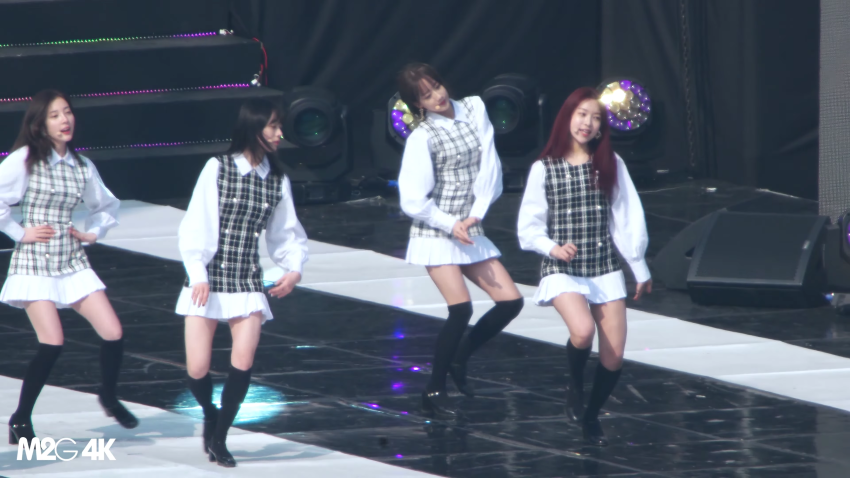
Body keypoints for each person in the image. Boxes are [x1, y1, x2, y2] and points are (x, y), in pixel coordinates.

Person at [0, 90, 138, 445]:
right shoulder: (25, 159)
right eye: (55, 115)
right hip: (34, 262)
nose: (65, 120)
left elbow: (106, 205)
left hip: (71, 260)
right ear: (40, 124)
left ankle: (108, 395)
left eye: (67, 112)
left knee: (113, 331)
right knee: (52, 342)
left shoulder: (81, 166)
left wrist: (93, 233)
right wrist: (19, 231)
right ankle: (21, 418)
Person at [176, 98, 308, 467]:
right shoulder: (217, 168)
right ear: (253, 127)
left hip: (247, 279)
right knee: (197, 369)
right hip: (208, 277)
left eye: (279, 127)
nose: (279, 134)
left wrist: (293, 269)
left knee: (243, 359)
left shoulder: (277, 180)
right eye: (273, 126)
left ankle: (220, 438)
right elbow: (196, 224)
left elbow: (285, 234)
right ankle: (210, 413)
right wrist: (198, 274)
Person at [517, 87, 651, 446]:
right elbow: (528, 227)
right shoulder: (544, 168)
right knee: (582, 331)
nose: (587, 123)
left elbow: (626, 216)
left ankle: (591, 415)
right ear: (567, 117)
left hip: (603, 266)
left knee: (614, 355)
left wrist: (638, 266)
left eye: (595, 118)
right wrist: (552, 247)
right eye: (582, 115)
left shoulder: (610, 163)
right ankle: (574, 384)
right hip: (562, 267)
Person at [396, 63, 525, 420]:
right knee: (461, 308)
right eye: (426, 96)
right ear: (417, 104)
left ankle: (460, 357)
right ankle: (433, 390)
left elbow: (490, 163)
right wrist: (449, 223)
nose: (437, 97)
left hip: (469, 225)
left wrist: (476, 214)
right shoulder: (422, 137)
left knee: (510, 301)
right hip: (437, 230)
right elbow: (412, 200)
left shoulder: (474, 107)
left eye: (436, 87)